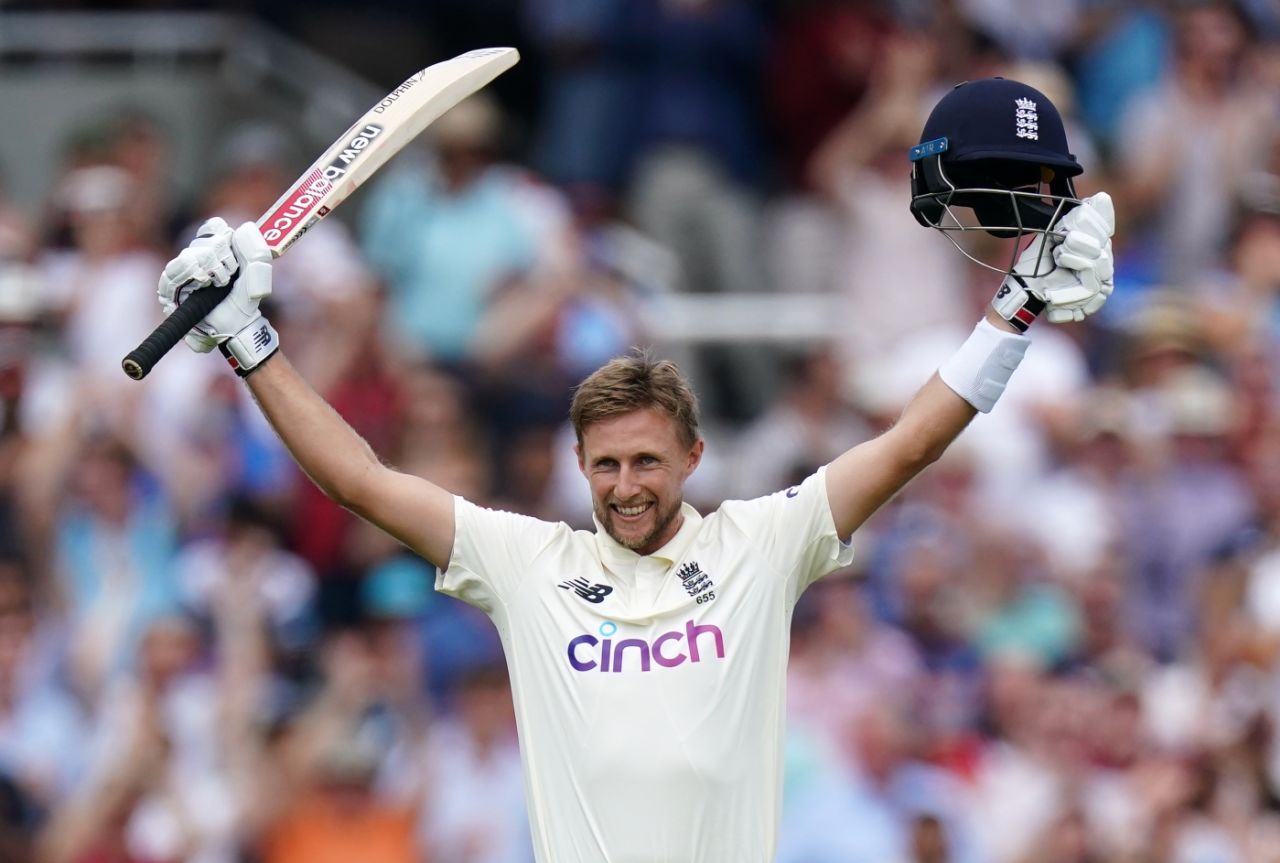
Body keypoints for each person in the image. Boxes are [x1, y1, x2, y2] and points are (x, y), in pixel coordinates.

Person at [149, 77, 1115, 863]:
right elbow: (359, 479)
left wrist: (1013, 314)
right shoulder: (532, 565)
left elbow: (909, 442)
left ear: (694, 457)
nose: (626, 485)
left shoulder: (763, 544)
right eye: (606, 464)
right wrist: (251, 343)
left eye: (647, 460)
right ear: (579, 465)